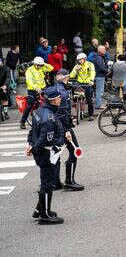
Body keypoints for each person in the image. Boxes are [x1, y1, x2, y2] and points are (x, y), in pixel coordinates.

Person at [25, 86, 66, 224]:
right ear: (54, 100)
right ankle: (45, 215)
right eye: (59, 97)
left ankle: (40, 210)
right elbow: (45, 138)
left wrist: (31, 145)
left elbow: (32, 132)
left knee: (47, 181)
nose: (61, 99)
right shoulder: (49, 117)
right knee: (48, 183)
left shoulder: (39, 111)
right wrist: (34, 148)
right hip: (47, 153)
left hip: (42, 152)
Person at [53, 69, 84, 191]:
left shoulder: (55, 88)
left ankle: (55, 182)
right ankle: (69, 181)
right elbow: (62, 113)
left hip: (54, 126)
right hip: (62, 127)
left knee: (56, 153)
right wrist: (67, 129)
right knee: (75, 151)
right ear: (66, 78)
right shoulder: (63, 93)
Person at [20, 57, 54, 129]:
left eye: (40, 65)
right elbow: (29, 80)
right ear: (34, 64)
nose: (39, 66)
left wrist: (43, 63)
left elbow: (51, 68)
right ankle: (22, 122)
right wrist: (36, 87)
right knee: (29, 105)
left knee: (49, 102)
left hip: (42, 88)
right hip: (32, 89)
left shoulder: (42, 67)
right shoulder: (29, 70)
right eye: (38, 65)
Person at [68, 54, 95, 121]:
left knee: (89, 99)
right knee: (74, 88)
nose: (80, 61)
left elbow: (92, 72)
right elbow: (71, 75)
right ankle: (75, 102)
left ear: (84, 59)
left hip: (88, 83)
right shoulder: (77, 66)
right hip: (79, 83)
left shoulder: (90, 64)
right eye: (79, 60)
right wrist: (76, 70)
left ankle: (91, 115)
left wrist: (91, 80)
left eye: (81, 59)